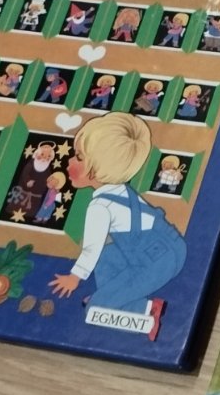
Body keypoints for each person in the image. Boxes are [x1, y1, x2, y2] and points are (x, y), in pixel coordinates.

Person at [49, 115, 186, 313]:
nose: (69, 161)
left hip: (155, 263)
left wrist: (74, 277)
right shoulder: (122, 190)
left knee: (94, 309)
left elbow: (91, 249)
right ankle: (111, 297)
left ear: (98, 167)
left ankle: (148, 309)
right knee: (106, 254)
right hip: (172, 247)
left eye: (78, 157)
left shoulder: (100, 206)